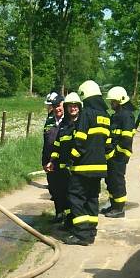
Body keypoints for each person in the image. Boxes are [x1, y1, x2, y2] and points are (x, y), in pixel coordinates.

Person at [64, 80, 109, 246]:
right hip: (99, 168)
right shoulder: (105, 116)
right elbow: (108, 143)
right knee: (92, 198)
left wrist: (70, 159)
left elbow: (81, 141)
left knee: (76, 197)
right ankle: (91, 231)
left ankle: (81, 234)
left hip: (83, 166)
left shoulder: (86, 114)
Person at [101, 86, 135, 218]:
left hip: (119, 156)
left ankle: (120, 209)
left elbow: (126, 140)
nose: (111, 104)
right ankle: (114, 205)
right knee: (110, 180)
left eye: (113, 101)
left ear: (120, 100)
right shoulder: (116, 115)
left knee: (117, 181)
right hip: (112, 156)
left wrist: (115, 153)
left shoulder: (126, 116)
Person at [48, 93, 80, 226]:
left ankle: (76, 224)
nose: (72, 109)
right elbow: (57, 145)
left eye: (75, 106)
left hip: (75, 167)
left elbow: (81, 146)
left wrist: (70, 161)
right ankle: (68, 220)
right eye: (70, 106)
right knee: (61, 192)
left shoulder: (80, 123)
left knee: (74, 195)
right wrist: (52, 161)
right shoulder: (62, 125)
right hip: (61, 166)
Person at [42, 92, 65, 222]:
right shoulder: (49, 120)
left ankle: (68, 217)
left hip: (64, 162)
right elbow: (46, 142)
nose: (57, 108)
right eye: (54, 106)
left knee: (65, 189)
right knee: (54, 189)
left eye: (59, 105)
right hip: (50, 162)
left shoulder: (69, 120)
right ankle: (59, 214)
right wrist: (44, 161)